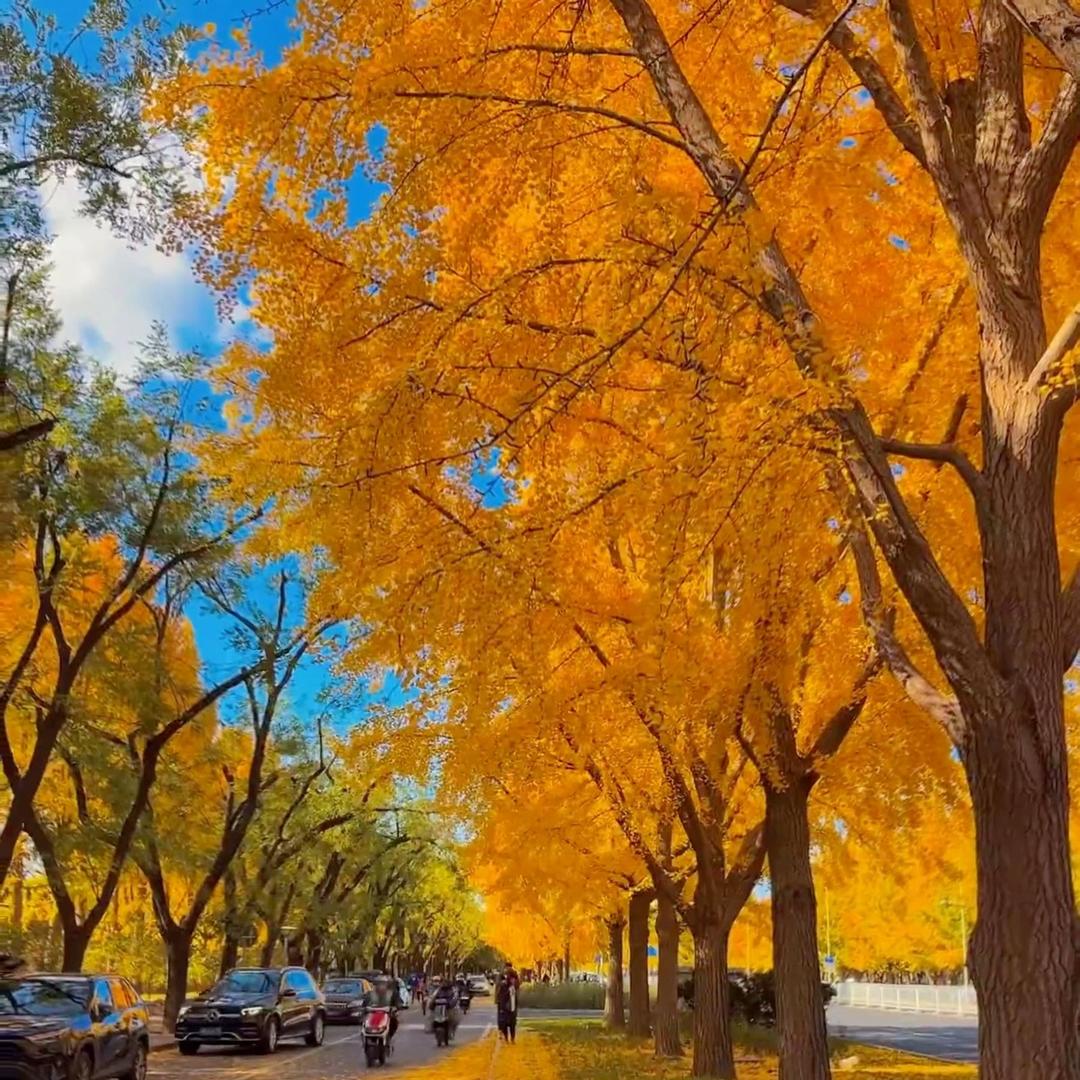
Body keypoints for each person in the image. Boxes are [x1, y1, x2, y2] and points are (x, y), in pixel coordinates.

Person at [362, 974, 403, 1045]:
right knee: (364, 1022)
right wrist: (365, 1008)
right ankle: (366, 1040)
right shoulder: (370, 994)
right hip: (373, 1015)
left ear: (387, 985)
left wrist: (396, 1007)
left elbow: (399, 1002)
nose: (380, 986)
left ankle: (389, 1037)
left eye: (383, 984)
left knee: (394, 1021)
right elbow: (364, 1003)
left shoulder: (392, 993)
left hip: (387, 1015)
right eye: (378, 984)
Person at [429, 975, 461, 1040]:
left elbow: (455, 998)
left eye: (445, 982)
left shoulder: (453, 990)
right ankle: (433, 1028)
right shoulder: (438, 990)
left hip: (449, 1008)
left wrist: (450, 1004)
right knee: (431, 1017)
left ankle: (451, 1032)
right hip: (439, 1009)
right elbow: (433, 997)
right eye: (442, 982)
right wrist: (431, 1004)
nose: (444, 984)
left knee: (454, 1020)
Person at [496, 962, 519, 1044]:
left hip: (507, 1002)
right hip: (508, 1003)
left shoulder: (512, 976)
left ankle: (509, 1038)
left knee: (507, 1022)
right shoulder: (502, 977)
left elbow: (516, 986)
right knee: (509, 1022)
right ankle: (509, 1038)